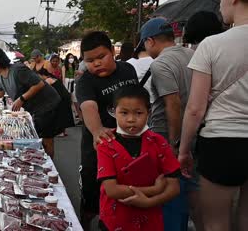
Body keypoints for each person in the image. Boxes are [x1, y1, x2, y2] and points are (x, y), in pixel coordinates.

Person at [178, 0, 248, 231]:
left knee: (216, 222)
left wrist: (184, 150)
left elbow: (195, 109)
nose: (220, 8)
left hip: (222, 142)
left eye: (220, 1)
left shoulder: (212, 45)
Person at [75, 31, 138, 227]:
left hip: (128, 144)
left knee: (122, 195)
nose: (96, 63)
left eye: (101, 57)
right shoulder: (85, 81)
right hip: (97, 147)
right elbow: (88, 107)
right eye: (90, 60)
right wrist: (97, 131)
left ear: (113, 51)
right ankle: (85, 220)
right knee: (92, 195)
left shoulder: (128, 70)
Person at [97, 85, 180, 231]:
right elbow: (112, 190)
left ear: (149, 112)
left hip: (150, 220)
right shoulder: (106, 145)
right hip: (115, 220)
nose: (131, 119)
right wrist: (155, 189)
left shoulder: (158, 142)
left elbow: (174, 187)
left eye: (138, 113)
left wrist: (149, 202)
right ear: (113, 112)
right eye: (124, 113)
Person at [139, 17, 194, 231]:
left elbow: (173, 103)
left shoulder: (161, 64)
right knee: (184, 192)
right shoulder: (193, 55)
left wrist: (174, 143)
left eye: (144, 44)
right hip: (194, 133)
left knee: (168, 194)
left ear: (150, 41)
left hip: (167, 137)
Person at [0, 47, 60, 157]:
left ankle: (50, 167)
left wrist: (21, 99)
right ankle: (43, 159)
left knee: (46, 138)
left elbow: (39, 84)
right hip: (35, 108)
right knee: (38, 135)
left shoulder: (18, 70)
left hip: (47, 104)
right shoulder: (0, 77)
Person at [37, 68, 74, 137]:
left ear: (43, 75)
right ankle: (62, 131)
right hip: (64, 97)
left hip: (61, 98)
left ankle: (60, 132)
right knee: (63, 114)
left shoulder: (48, 80)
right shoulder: (52, 78)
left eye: (39, 76)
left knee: (59, 114)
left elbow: (43, 90)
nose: (38, 78)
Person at [62, 53, 82, 123]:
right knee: (68, 101)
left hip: (73, 83)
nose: (71, 59)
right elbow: (63, 77)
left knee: (75, 100)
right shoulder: (64, 66)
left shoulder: (74, 66)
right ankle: (68, 119)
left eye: (72, 57)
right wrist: (64, 86)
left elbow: (76, 75)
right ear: (67, 58)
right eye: (70, 57)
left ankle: (80, 118)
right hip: (67, 83)